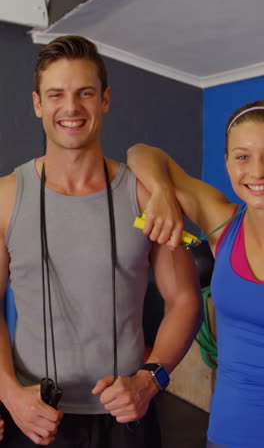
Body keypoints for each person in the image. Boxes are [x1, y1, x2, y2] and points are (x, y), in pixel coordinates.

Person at [0, 35, 202, 447]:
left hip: (128, 413)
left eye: (85, 93)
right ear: (38, 104)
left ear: (104, 100)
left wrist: (151, 380)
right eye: (56, 94)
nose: (71, 108)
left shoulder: (145, 195)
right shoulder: (5, 198)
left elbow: (184, 298)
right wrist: (7, 393)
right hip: (34, 414)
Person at [127, 100, 264, 448]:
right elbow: (141, 152)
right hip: (231, 431)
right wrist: (162, 194)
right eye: (243, 156)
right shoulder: (223, 224)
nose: (257, 171)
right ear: (227, 163)